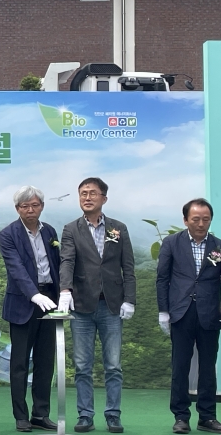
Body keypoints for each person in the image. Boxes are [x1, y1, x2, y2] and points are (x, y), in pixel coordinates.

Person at [58, 177, 135, 434]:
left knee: (113, 365)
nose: (87, 197)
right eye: (83, 193)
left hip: (112, 306)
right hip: (81, 305)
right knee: (82, 366)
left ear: (104, 198)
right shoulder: (71, 229)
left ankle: (113, 415)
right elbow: (67, 261)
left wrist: (129, 299)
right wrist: (65, 290)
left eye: (92, 193)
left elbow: (128, 267)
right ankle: (85, 415)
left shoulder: (118, 228)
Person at [156, 198, 221, 434]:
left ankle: (207, 417)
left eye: (206, 219)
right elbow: (162, 278)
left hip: (210, 313)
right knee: (180, 366)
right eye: (196, 219)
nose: (201, 224)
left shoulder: (218, 246)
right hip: (181, 312)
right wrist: (164, 311)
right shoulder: (171, 243)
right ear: (185, 220)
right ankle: (181, 416)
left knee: (208, 367)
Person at [0, 186, 60, 432]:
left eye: (35, 205)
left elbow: (56, 265)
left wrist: (64, 294)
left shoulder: (50, 231)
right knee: (20, 363)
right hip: (23, 303)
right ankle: (21, 416)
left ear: (42, 206)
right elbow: (16, 269)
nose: (30, 210)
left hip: (50, 302)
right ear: (17, 209)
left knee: (46, 361)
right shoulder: (8, 234)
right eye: (25, 206)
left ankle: (41, 414)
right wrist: (34, 295)